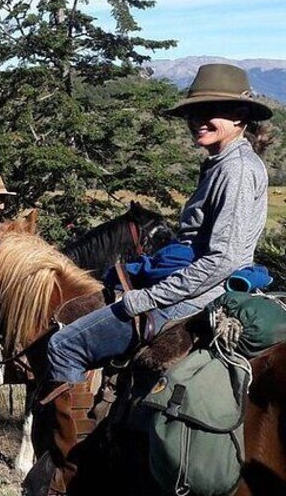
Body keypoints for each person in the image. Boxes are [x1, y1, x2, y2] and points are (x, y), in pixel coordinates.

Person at [40, 63, 273, 494]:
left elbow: (221, 260)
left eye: (214, 111)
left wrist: (144, 299)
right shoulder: (225, 161)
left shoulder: (235, 169)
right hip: (198, 287)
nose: (199, 121)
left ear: (240, 118)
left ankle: (71, 472)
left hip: (199, 296)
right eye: (194, 113)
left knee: (63, 344)